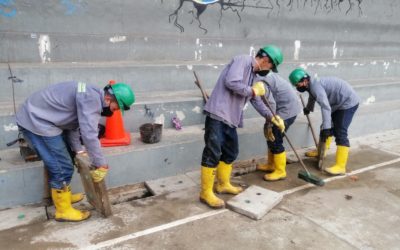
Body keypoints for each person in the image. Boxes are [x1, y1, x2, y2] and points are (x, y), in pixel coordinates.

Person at [15, 81, 135, 222]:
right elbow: (89, 134)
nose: (114, 112)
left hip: (43, 118)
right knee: (61, 166)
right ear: (109, 99)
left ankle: (63, 195)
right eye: (116, 108)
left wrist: (78, 150)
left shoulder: (91, 95)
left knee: (67, 158)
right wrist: (101, 163)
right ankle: (63, 211)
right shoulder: (91, 100)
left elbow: (73, 125)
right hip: (36, 120)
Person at [200, 45, 285, 209]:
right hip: (218, 114)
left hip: (231, 118)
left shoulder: (254, 76)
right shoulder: (243, 60)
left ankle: (222, 184)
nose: (269, 70)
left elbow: (256, 99)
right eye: (271, 66)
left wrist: (272, 117)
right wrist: (253, 91)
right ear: (266, 60)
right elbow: (231, 82)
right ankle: (205, 192)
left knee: (231, 151)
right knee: (213, 152)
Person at [288, 68, 360, 175]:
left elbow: (325, 107)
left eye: (298, 84)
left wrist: (327, 128)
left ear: (305, 80)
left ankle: (340, 166)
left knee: (340, 131)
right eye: (296, 85)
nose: (297, 87)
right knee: (326, 126)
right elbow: (313, 97)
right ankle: (322, 152)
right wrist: (309, 108)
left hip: (347, 103)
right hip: (337, 104)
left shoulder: (315, 87)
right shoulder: (311, 85)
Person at [254, 72, 301, 181]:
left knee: (275, 139)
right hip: (286, 108)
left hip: (286, 111)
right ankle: (271, 164)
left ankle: (280, 171)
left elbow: (271, 104)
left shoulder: (259, 82)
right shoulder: (263, 75)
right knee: (270, 137)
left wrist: (270, 122)